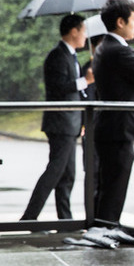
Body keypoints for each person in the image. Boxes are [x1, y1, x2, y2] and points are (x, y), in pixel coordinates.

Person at [92, 0, 134, 224]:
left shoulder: (104, 47)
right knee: (115, 184)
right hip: (120, 129)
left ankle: (105, 226)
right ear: (120, 22)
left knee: (108, 184)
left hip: (110, 127)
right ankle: (108, 227)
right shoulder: (119, 51)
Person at [20, 14, 94, 222]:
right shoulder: (57, 56)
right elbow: (59, 88)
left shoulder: (71, 56)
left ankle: (65, 220)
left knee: (67, 176)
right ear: (73, 31)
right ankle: (29, 217)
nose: (85, 36)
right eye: (83, 31)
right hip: (60, 124)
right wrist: (85, 81)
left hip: (70, 123)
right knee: (54, 172)